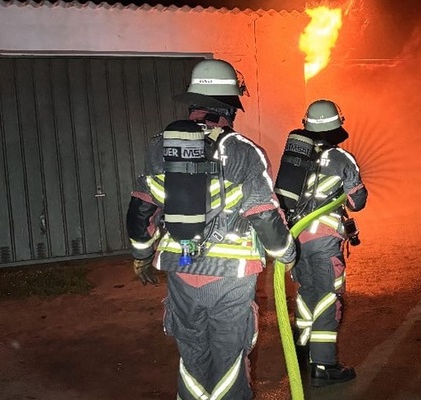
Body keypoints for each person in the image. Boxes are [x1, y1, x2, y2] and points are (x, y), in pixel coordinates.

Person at [126, 58, 296, 400]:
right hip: (231, 275)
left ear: (192, 103)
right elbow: (263, 213)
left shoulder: (160, 146)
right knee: (229, 357)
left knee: (192, 354)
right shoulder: (244, 151)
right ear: (231, 107)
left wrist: (141, 254)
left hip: (181, 267)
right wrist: (288, 254)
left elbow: (142, 208)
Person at [274, 99, 368, 387]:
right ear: (337, 126)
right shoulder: (342, 158)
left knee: (307, 294)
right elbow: (357, 201)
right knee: (328, 298)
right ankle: (324, 366)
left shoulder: (296, 158)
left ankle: (302, 355)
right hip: (325, 241)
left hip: (296, 240)